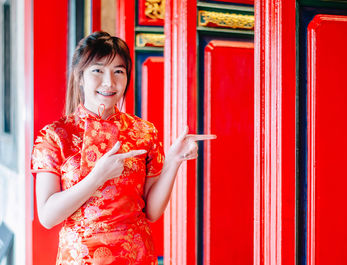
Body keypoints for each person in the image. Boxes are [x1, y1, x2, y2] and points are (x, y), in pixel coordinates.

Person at [31, 31, 215, 265]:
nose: (109, 82)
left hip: (136, 256)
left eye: (118, 71)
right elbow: (48, 217)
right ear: (80, 76)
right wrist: (98, 176)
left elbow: (152, 212)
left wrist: (174, 159)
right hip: (80, 259)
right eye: (97, 70)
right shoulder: (55, 135)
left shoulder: (143, 131)